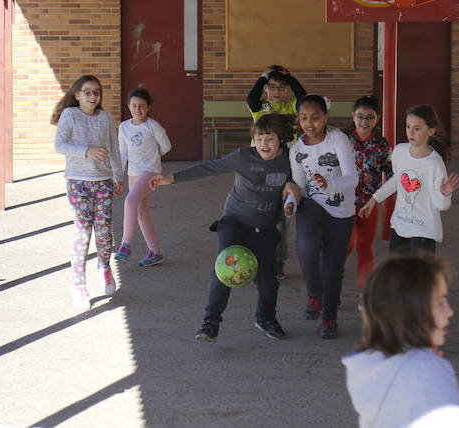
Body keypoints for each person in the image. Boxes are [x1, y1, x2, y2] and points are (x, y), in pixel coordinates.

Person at [149, 114, 301, 342]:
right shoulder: (243, 157)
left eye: (269, 139)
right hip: (235, 224)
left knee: (268, 279)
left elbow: (299, 181)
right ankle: (210, 322)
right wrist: (170, 178)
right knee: (225, 267)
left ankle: (266, 319)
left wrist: (292, 191)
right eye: (259, 139)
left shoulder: (290, 160)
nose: (263, 144)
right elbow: (210, 167)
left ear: (281, 139)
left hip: (266, 228)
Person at [342, 254, 459, 428]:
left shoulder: (369, 365)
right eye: (440, 303)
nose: (450, 311)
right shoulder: (427, 369)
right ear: (412, 311)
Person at [52, 74, 125, 311]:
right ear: (77, 94)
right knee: (83, 231)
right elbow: (59, 145)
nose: (93, 96)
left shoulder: (105, 118)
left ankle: (104, 267)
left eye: (97, 92)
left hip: (103, 182)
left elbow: (114, 148)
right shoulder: (70, 115)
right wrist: (86, 150)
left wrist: (118, 176)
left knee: (104, 232)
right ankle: (79, 285)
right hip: (77, 182)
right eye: (87, 92)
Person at [288, 94, 358, 339]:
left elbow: (353, 178)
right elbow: (299, 186)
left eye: (315, 117)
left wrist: (330, 184)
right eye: (304, 118)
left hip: (341, 210)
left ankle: (329, 317)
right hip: (312, 203)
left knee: (332, 266)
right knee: (306, 244)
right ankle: (313, 295)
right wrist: (290, 203)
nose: (310, 123)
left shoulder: (337, 139)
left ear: (326, 117)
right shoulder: (296, 149)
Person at [359, 105, 459, 254]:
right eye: (408, 126)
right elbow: (396, 181)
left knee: (420, 276)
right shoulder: (400, 151)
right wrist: (374, 199)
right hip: (400, 226)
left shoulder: (434, 163)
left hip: (424, 231)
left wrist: (445, 194)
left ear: (431, 131)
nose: (410, 132)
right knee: (397, 273)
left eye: (417, 128)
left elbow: (441, 205)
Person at [246, 65, 306, 281]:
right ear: (266, 89)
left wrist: (292, 78)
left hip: (285, 166)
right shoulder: (260, 108)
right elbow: (251, 99)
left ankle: (278, 262)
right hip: (260, 168)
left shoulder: (292, 105)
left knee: (283, 218)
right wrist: (262, 77)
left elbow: (304, 97)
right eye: (272, 87)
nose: (277, 92)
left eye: (282, 87)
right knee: (258, 215)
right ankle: (259, 259)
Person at [115, 88, 171, 267]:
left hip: (151, 172)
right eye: (134, 106)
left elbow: (166, 146)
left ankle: (125, 244)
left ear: (148, 108)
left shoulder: (153, 126)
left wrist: (153, 159)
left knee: (130, 202)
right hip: (133, 173)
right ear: (128, 106)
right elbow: (123, 153)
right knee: (141, 213)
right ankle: (155, 252)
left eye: (141, 106)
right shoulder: (124, 127)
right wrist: (118, 176)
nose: (137, 109)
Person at [344, 95, 394, 295]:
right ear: (353, 116)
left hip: (368, 205)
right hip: (343, 204)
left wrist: (378, 199)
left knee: (365, 248)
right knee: (343, 248)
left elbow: (392, 174)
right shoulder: (342, 139)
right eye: (360, 116)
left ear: (378, 119)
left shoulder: (382, 145)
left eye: (370, 117)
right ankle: (331, 289)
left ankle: (366, 295)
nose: (364, 122)